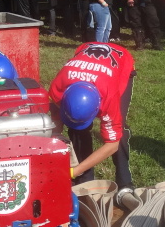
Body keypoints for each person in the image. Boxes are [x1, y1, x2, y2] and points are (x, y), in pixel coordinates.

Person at [48, 41, 136, 188]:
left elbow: (112, 145)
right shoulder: (58, 89)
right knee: (76, 129)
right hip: (86, 57)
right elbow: (55, 125)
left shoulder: (108, 98)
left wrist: (73, 172)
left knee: (118, 131)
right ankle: (85, 181)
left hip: (120, 61)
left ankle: (124, 182)